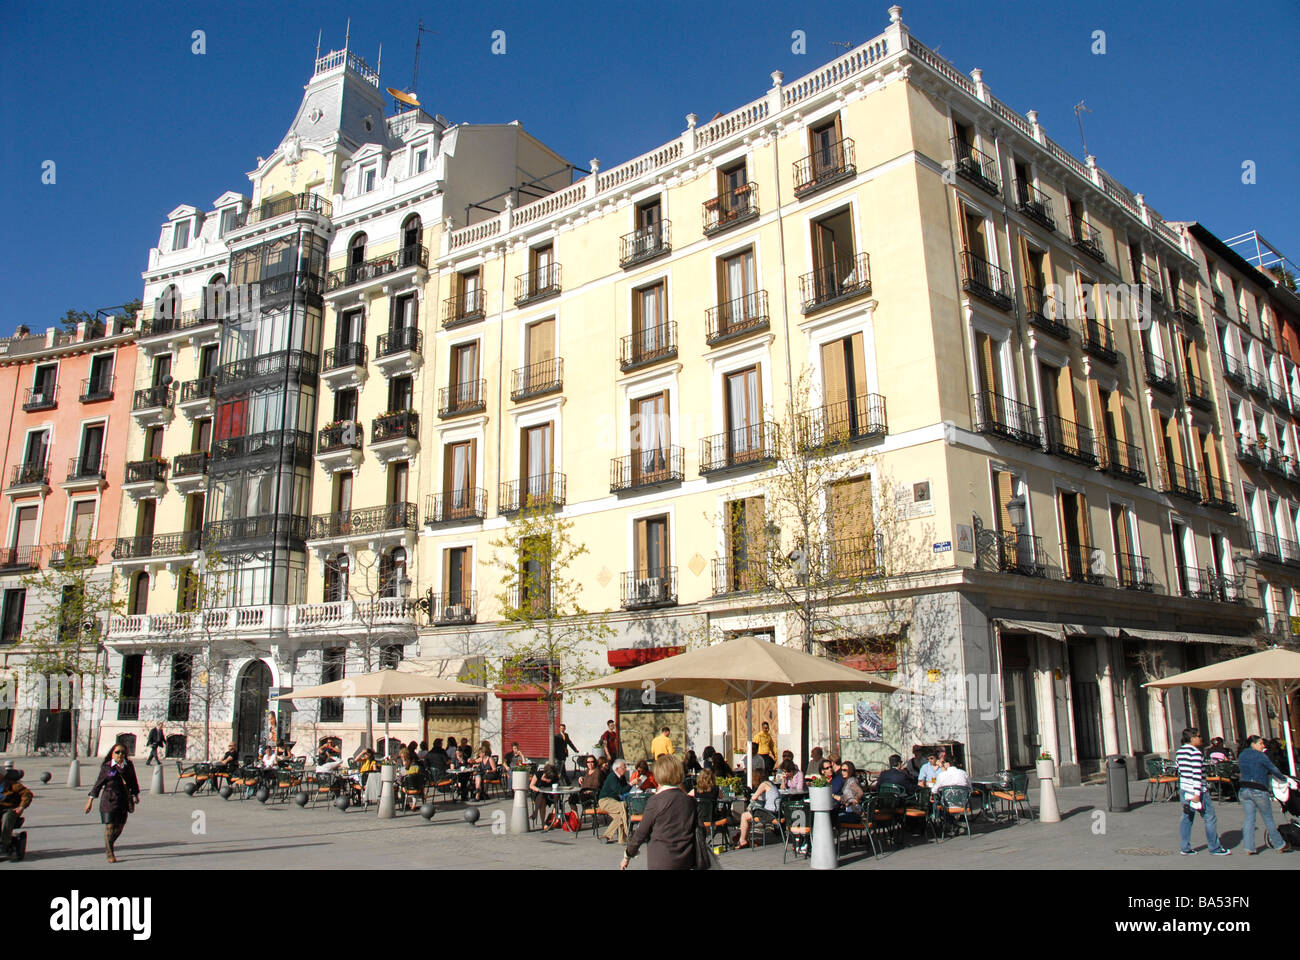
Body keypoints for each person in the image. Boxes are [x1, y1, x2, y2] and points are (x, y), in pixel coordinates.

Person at [622, 753, 696, 870]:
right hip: (685, 860)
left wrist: (627, 855)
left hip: (661, 860)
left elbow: (641, 832)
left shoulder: (655, 801)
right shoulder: (689, 801)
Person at [1176, 727, 1230, 856]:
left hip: (1185, 789)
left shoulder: (1179, 752)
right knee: (1209, 818)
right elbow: (1196, 773)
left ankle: (1185, 847)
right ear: (1192, 738)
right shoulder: (1195, 753)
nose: (1201, 739)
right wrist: (1197, 793)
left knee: (1187, 818)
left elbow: (1180, 770)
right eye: (1199, 736)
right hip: (1198, 790)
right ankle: (1215, 847)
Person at [1237, 734, 1293, 854]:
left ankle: (1249, 848)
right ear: (1253, 744)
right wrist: (1284, 779)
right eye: (1260, 743)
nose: (1263, 746)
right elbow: (1273, 769)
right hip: (1259, 789)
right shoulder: (1261, 756)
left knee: (1249, 819)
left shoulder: (1242, 755)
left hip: (1244, 789)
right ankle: (1280, 845)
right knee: (1268, 819)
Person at [85, 744, 140, 863]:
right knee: (110, 826)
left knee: (119, 827)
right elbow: (98, 784)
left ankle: (109, 844)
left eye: (123, 753)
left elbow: (133, 781)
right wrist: (90, 801)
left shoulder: (129, 766)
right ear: (112, 753)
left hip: (123, 800)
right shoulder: (107, 767)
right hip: (109, 799)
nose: (120, 755)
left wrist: (135, 795)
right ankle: (110, 852)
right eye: (117, 752)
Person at [735, 775, 782, 848]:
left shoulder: (764, 784)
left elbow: (754, 797)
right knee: (749, 815)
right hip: (776, 812)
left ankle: (742, 840)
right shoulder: (771, 785)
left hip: (770, 813)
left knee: (744, 816)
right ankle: (745, 839)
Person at [0, 766, 33, 859]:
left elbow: (27, 794)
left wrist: (21, 807)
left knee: (8, 817)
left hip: (8, 810)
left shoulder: (13, 785)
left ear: (2, 776)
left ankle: (4, 844)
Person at [598, 759, 633, 844]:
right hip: (605, 800)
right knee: (623, 805)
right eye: (624, 767)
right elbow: (620, 791)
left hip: (614, 801)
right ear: (617, 769)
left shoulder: (622, 777)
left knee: (620, 817)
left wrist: (633, 784)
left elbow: (625, 790)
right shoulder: (612, 777)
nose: (626, 769)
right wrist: (631, 784)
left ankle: (617, 838)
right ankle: (628, 833)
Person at [530, 763, 561, 828]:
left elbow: (558, 786)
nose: (549, 779)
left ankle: (535, 814)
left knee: (556, 796)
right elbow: (531, 785)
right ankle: (543, 823)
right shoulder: (538, 774)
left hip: (550, 795)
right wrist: (538, 789)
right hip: (538, 794)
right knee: (541, 797)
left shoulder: (554, 776)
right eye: (548, 777)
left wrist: (557, 782)